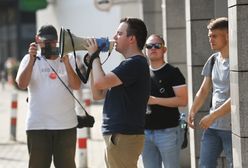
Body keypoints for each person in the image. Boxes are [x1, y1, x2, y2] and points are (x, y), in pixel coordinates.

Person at [84, 17, 150, 168]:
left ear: (132, 38)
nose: (114, 38)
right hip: (119, 135)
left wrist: (94, 56)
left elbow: (101, 82)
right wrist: (93, 62)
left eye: (119, 34)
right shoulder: (130, 64)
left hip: (123, 135)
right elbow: (98, 93)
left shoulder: (135, 63)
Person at [15, 25, 81, 168]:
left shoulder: (68, 58)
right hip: (38, 126)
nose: (49, 45)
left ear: (58, 41)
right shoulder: (29, 59)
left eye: (52, 42)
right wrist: (32, 60)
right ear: (37, 41)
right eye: (45, 42)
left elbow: (76, 86)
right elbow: (21, 84)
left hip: (66, 126)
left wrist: (67, 64)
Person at [187, 17, 232, 167]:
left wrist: (212, 116)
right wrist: (192, 111)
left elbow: (236, 98)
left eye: (215, 36)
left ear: (227, 35)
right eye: (209, 36)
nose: (210, 40)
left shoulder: (239, 62)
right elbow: (204, 89)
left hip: (232, 128)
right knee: (205, 165)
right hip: (213, 127)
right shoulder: (213, 60)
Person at [141, 34, 188, 168]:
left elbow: (183, 100)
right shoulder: (142, 73)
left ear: (164, 50)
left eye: (157, 45)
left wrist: (155, 100)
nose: (153, 48)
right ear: (145, 50)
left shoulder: (173, 72)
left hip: (168, 132)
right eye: (149, 46)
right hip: (145, 133)